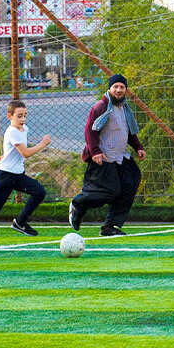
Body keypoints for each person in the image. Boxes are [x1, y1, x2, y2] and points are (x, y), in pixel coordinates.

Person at [68, 74, 146, 236]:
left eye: (122, 87)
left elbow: (129, 131)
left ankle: (110, 226)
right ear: (109, 89)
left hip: (120, 157)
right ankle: (78, 204)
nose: (118, 90)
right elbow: (90, 130)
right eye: (115, 87)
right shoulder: (101, 106)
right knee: (110, 191)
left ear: (125, 90)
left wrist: (138, 147)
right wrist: (95, 151)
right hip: (103, 158)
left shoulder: (125, 108)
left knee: (130, 183)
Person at [0, 100, 51, 246]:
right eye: (19, 116)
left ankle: (20, 222)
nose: (23, 119)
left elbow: (14, 150)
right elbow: (25, 153)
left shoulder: (24, 129)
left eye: (25, 115)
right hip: (4, 177)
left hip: (18, 176)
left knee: (39, 192)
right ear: (9, 116)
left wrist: (6, 156)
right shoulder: (12, 131)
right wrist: (42, 144)